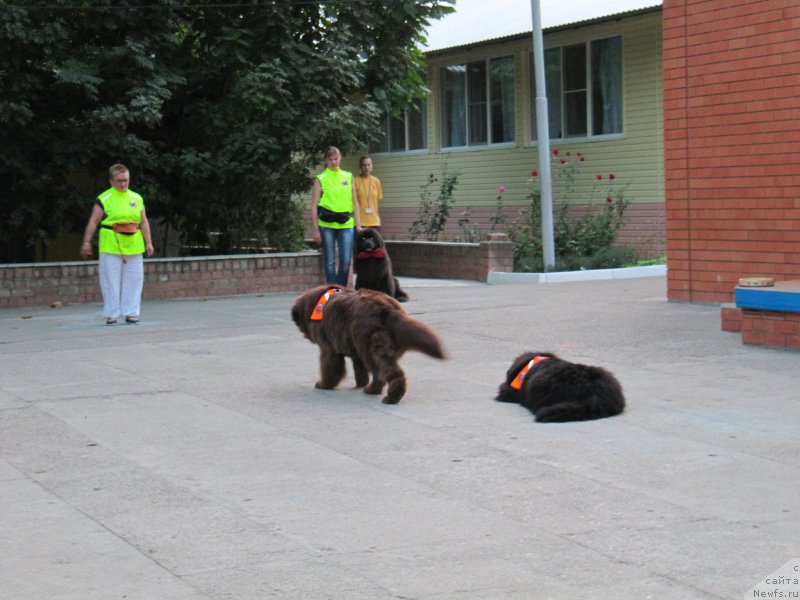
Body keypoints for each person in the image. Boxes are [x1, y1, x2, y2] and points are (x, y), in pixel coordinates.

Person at [79, 164, 155, 325]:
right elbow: (93, 221)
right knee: (110, 279)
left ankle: (131, 312)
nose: (123, 184)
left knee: (134, 279)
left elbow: (143, 221)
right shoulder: (104, 198)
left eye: (125, 180)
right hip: (111, 243)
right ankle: (111, 313)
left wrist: (148, 242)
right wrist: (86, 242)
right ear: (111, 181)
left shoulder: (136, 198)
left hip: (134, 243)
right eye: (119, 181)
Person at [311, 147, 361, 286]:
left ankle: (340, 290)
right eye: (330, 159)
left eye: (336, 159)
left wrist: (358, 225)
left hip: (346, 223)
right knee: (330, 261)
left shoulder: (348, 176)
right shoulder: (320, 179)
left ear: (340, 159)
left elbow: (355, 201)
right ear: (326, 161)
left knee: (345, 260)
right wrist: (315, 229)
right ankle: (332, 291)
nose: (334, 162)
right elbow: (314, 204)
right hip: (327, 224)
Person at [354, 155, 383, 231]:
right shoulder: (355, 181)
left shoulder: (376, 181)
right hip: (360, 223)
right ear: (360, 167)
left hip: (375, 222)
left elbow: (377, 200)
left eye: (368, 165)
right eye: (364, 165)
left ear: (371, 166)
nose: (366, 167)